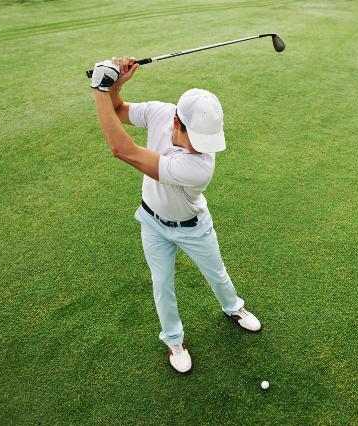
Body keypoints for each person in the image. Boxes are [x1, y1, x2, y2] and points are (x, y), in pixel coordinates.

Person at [90, 56, 261, 374]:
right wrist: (115, 87)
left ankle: (234, 308)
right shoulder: (160, 112)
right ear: (177, 122)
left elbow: (122, 150)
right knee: (162, 284)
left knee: (217, 273)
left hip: (193, 227)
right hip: (152, 222)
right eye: (198, 139)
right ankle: (174, 340)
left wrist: (100, 88)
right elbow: (118, 110)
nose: (204, 147)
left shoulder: (199, 166)